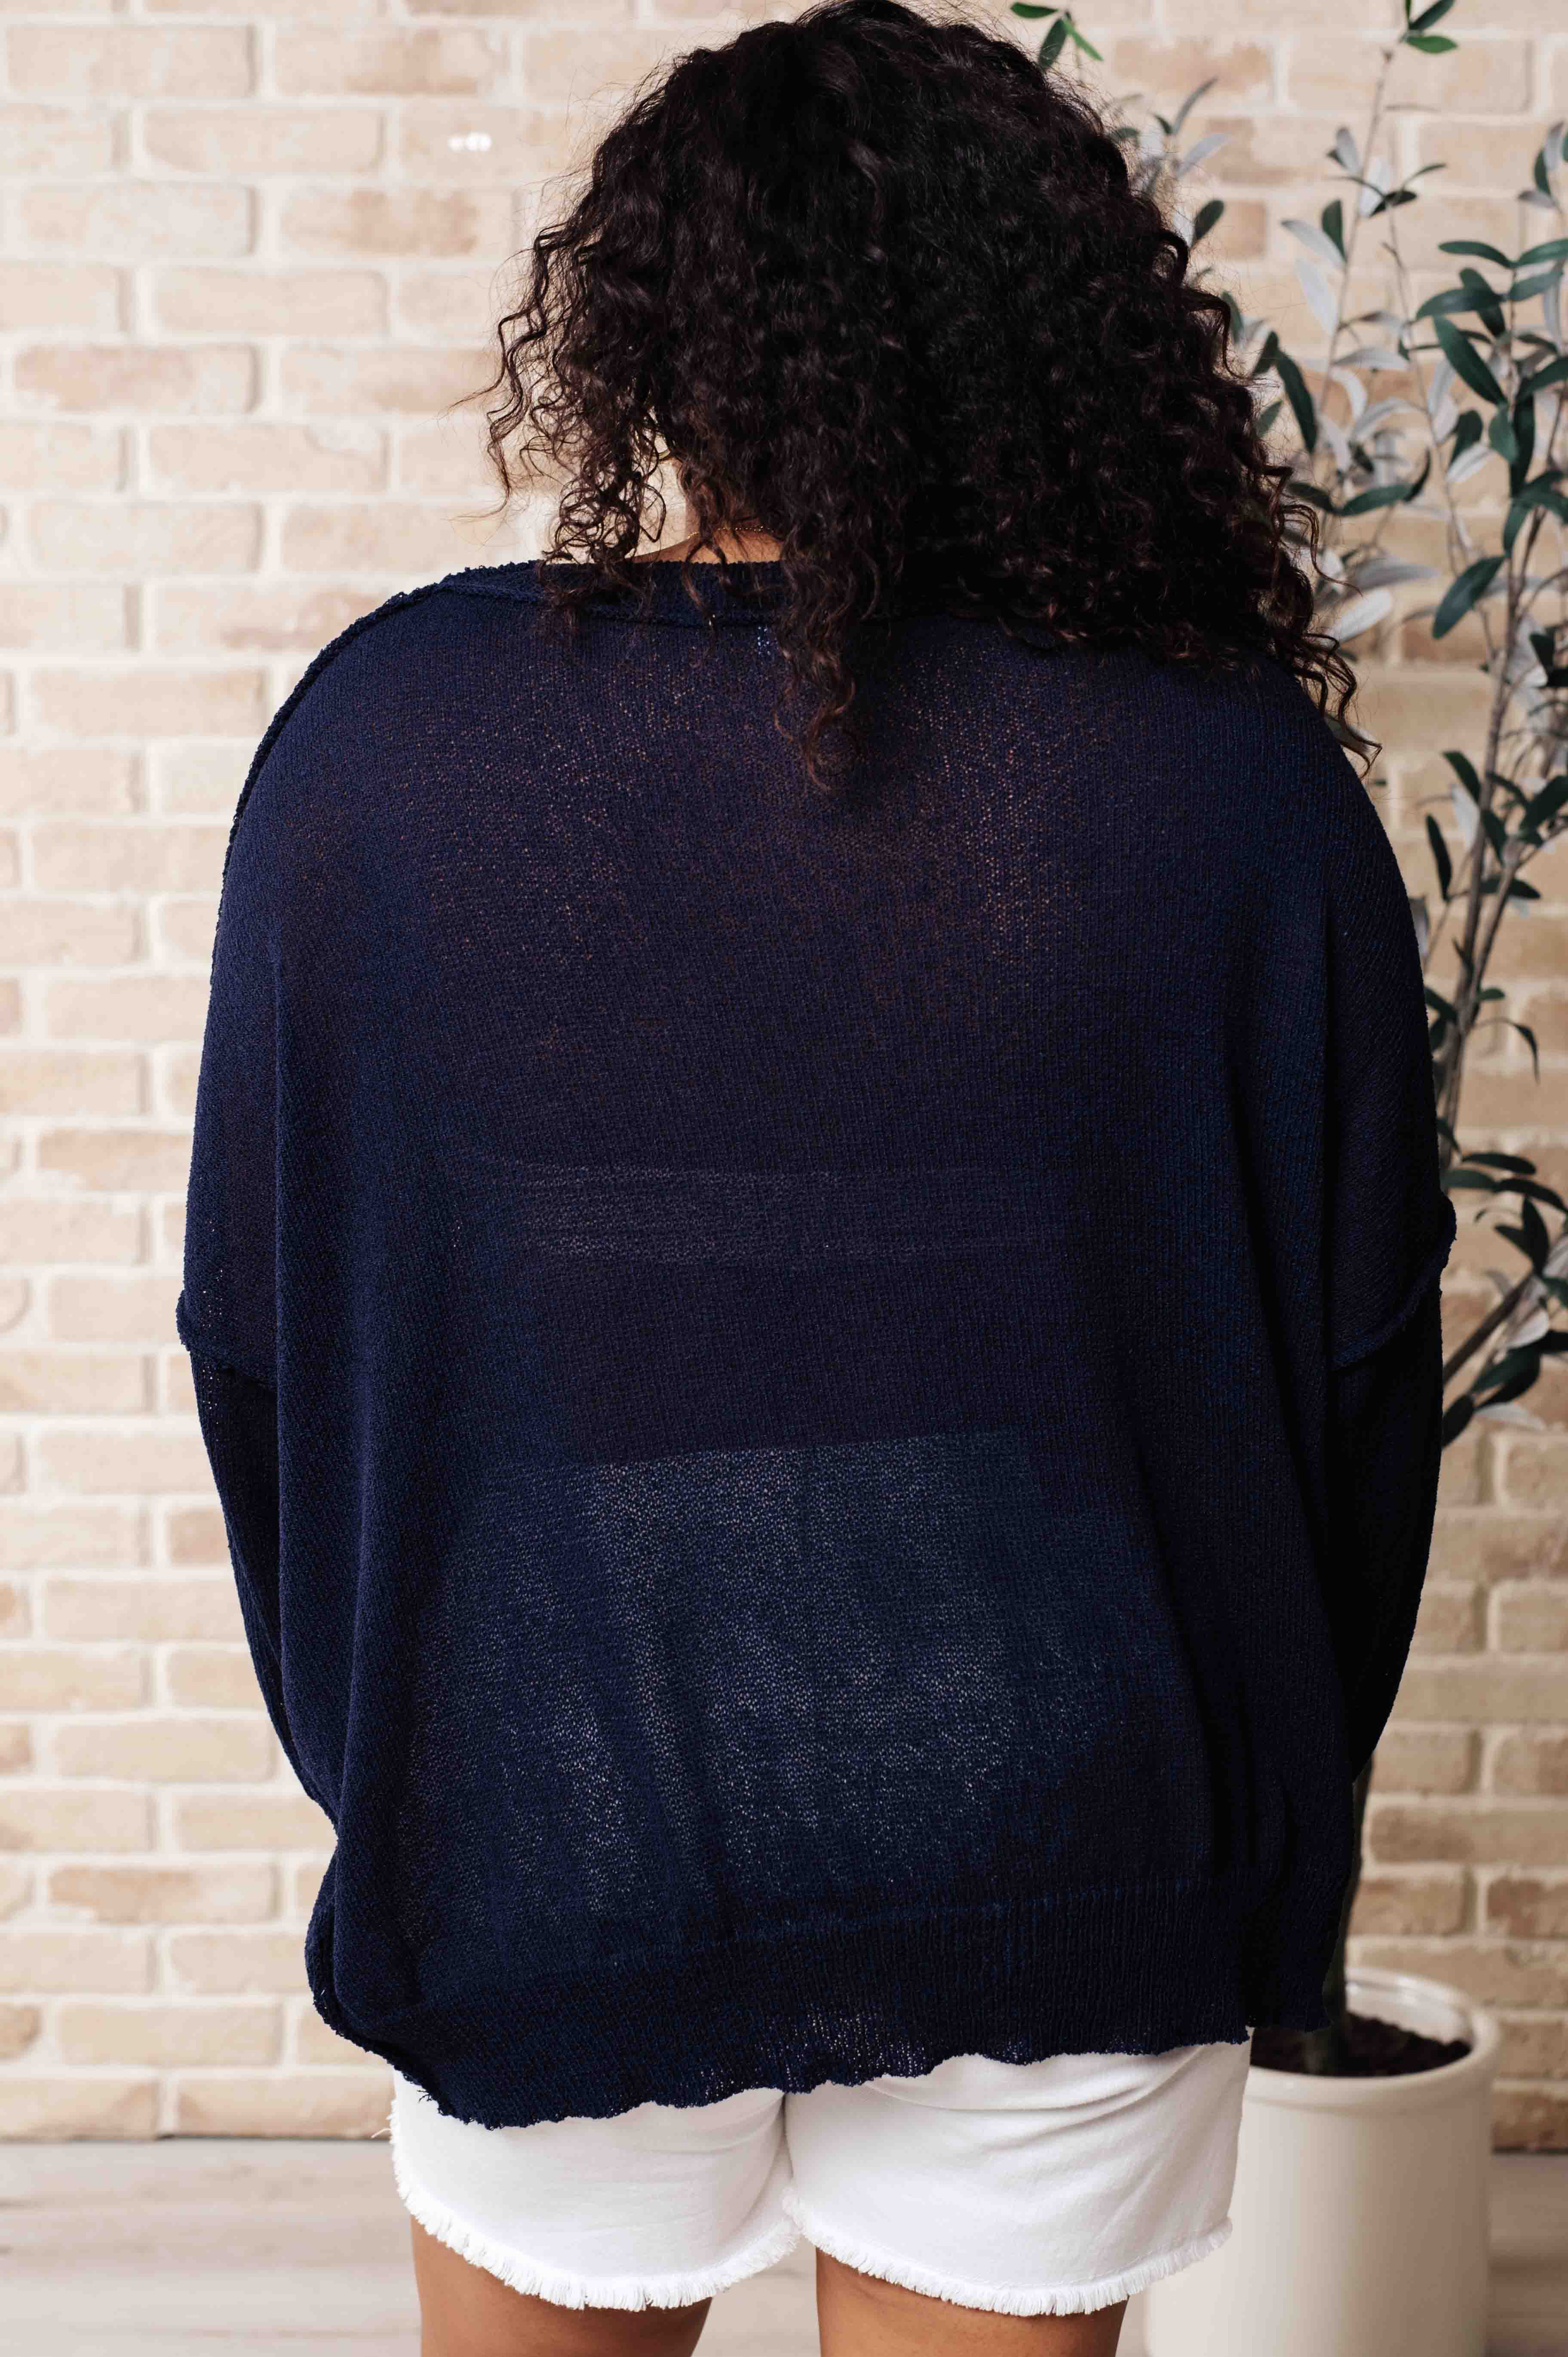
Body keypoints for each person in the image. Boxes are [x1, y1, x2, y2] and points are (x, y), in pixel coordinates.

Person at [177, 3, 1454, 2351]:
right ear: (1058, 328)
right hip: (1085, 1828)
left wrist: (420, 1781)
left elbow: (269, 1348)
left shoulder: (385, 748)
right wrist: (1245, 1839)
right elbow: (1355, 1395)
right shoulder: (1235, 787)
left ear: (647, 332)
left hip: (550, 1811)